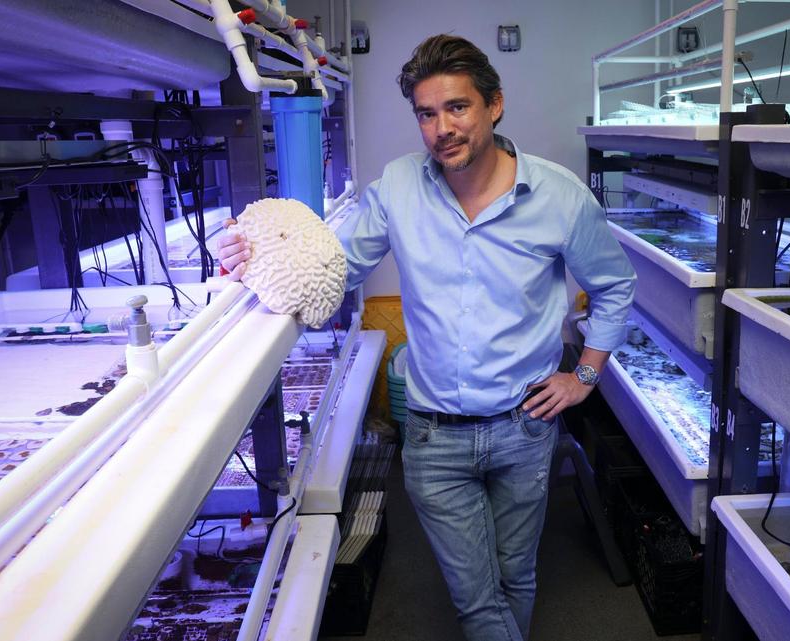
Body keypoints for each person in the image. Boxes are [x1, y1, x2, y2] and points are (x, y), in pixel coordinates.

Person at [219, 34, 635, 641]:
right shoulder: (399, 188)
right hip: (435, 434)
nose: (442, 128)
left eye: (457, 108)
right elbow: (334, 269)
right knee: (474, 598)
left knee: (516, 575)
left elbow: (615, 286)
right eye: (426, 113)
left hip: (526, 425)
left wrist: (585, 376)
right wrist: (252, 253)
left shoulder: (558, 196)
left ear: (494, 105)